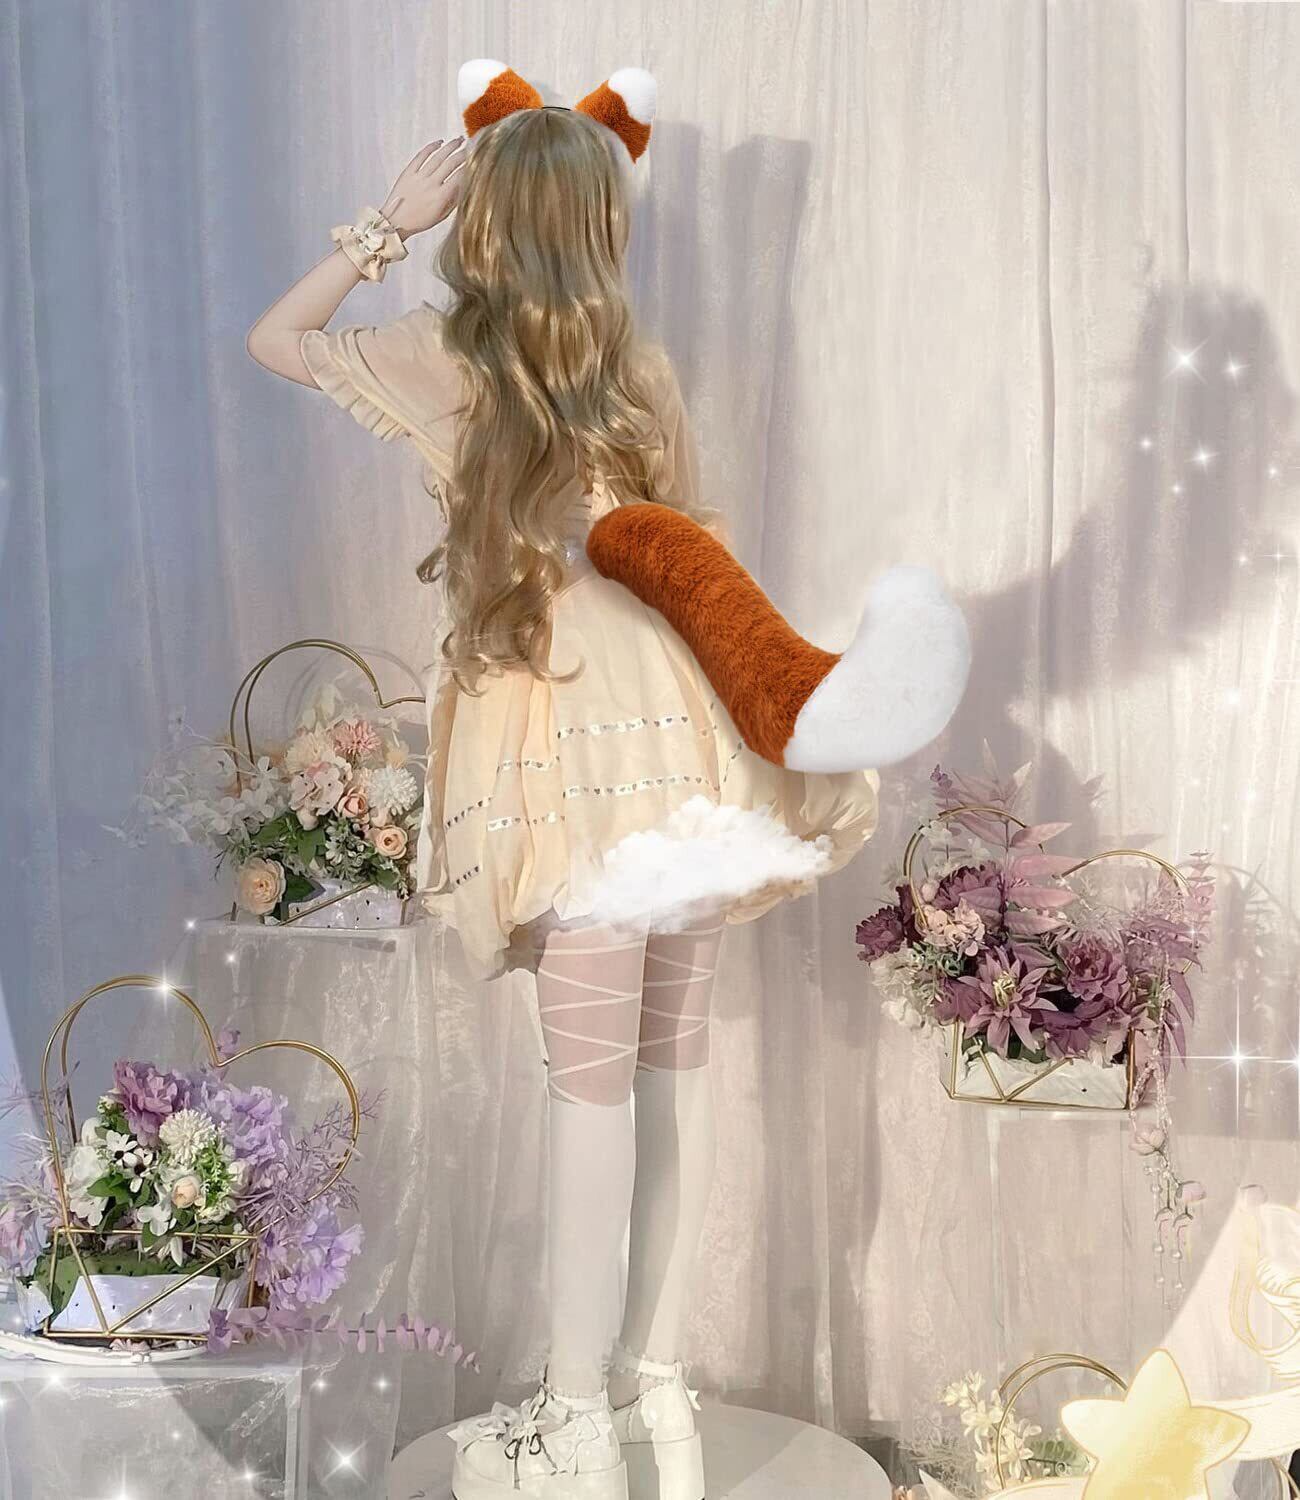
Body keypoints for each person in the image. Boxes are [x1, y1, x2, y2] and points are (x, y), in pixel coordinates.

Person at [248, 62, 963, 1500]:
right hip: (684, 745)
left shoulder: (441, 359)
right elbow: (672, 552)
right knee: (665, 1077)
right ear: (600, 225)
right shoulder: (636, 373)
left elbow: (277, 338)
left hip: (564, 754)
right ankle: (657, 1394)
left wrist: (382, 227)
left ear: (486, 221)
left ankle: (576, 1417)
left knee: (589, 1093)